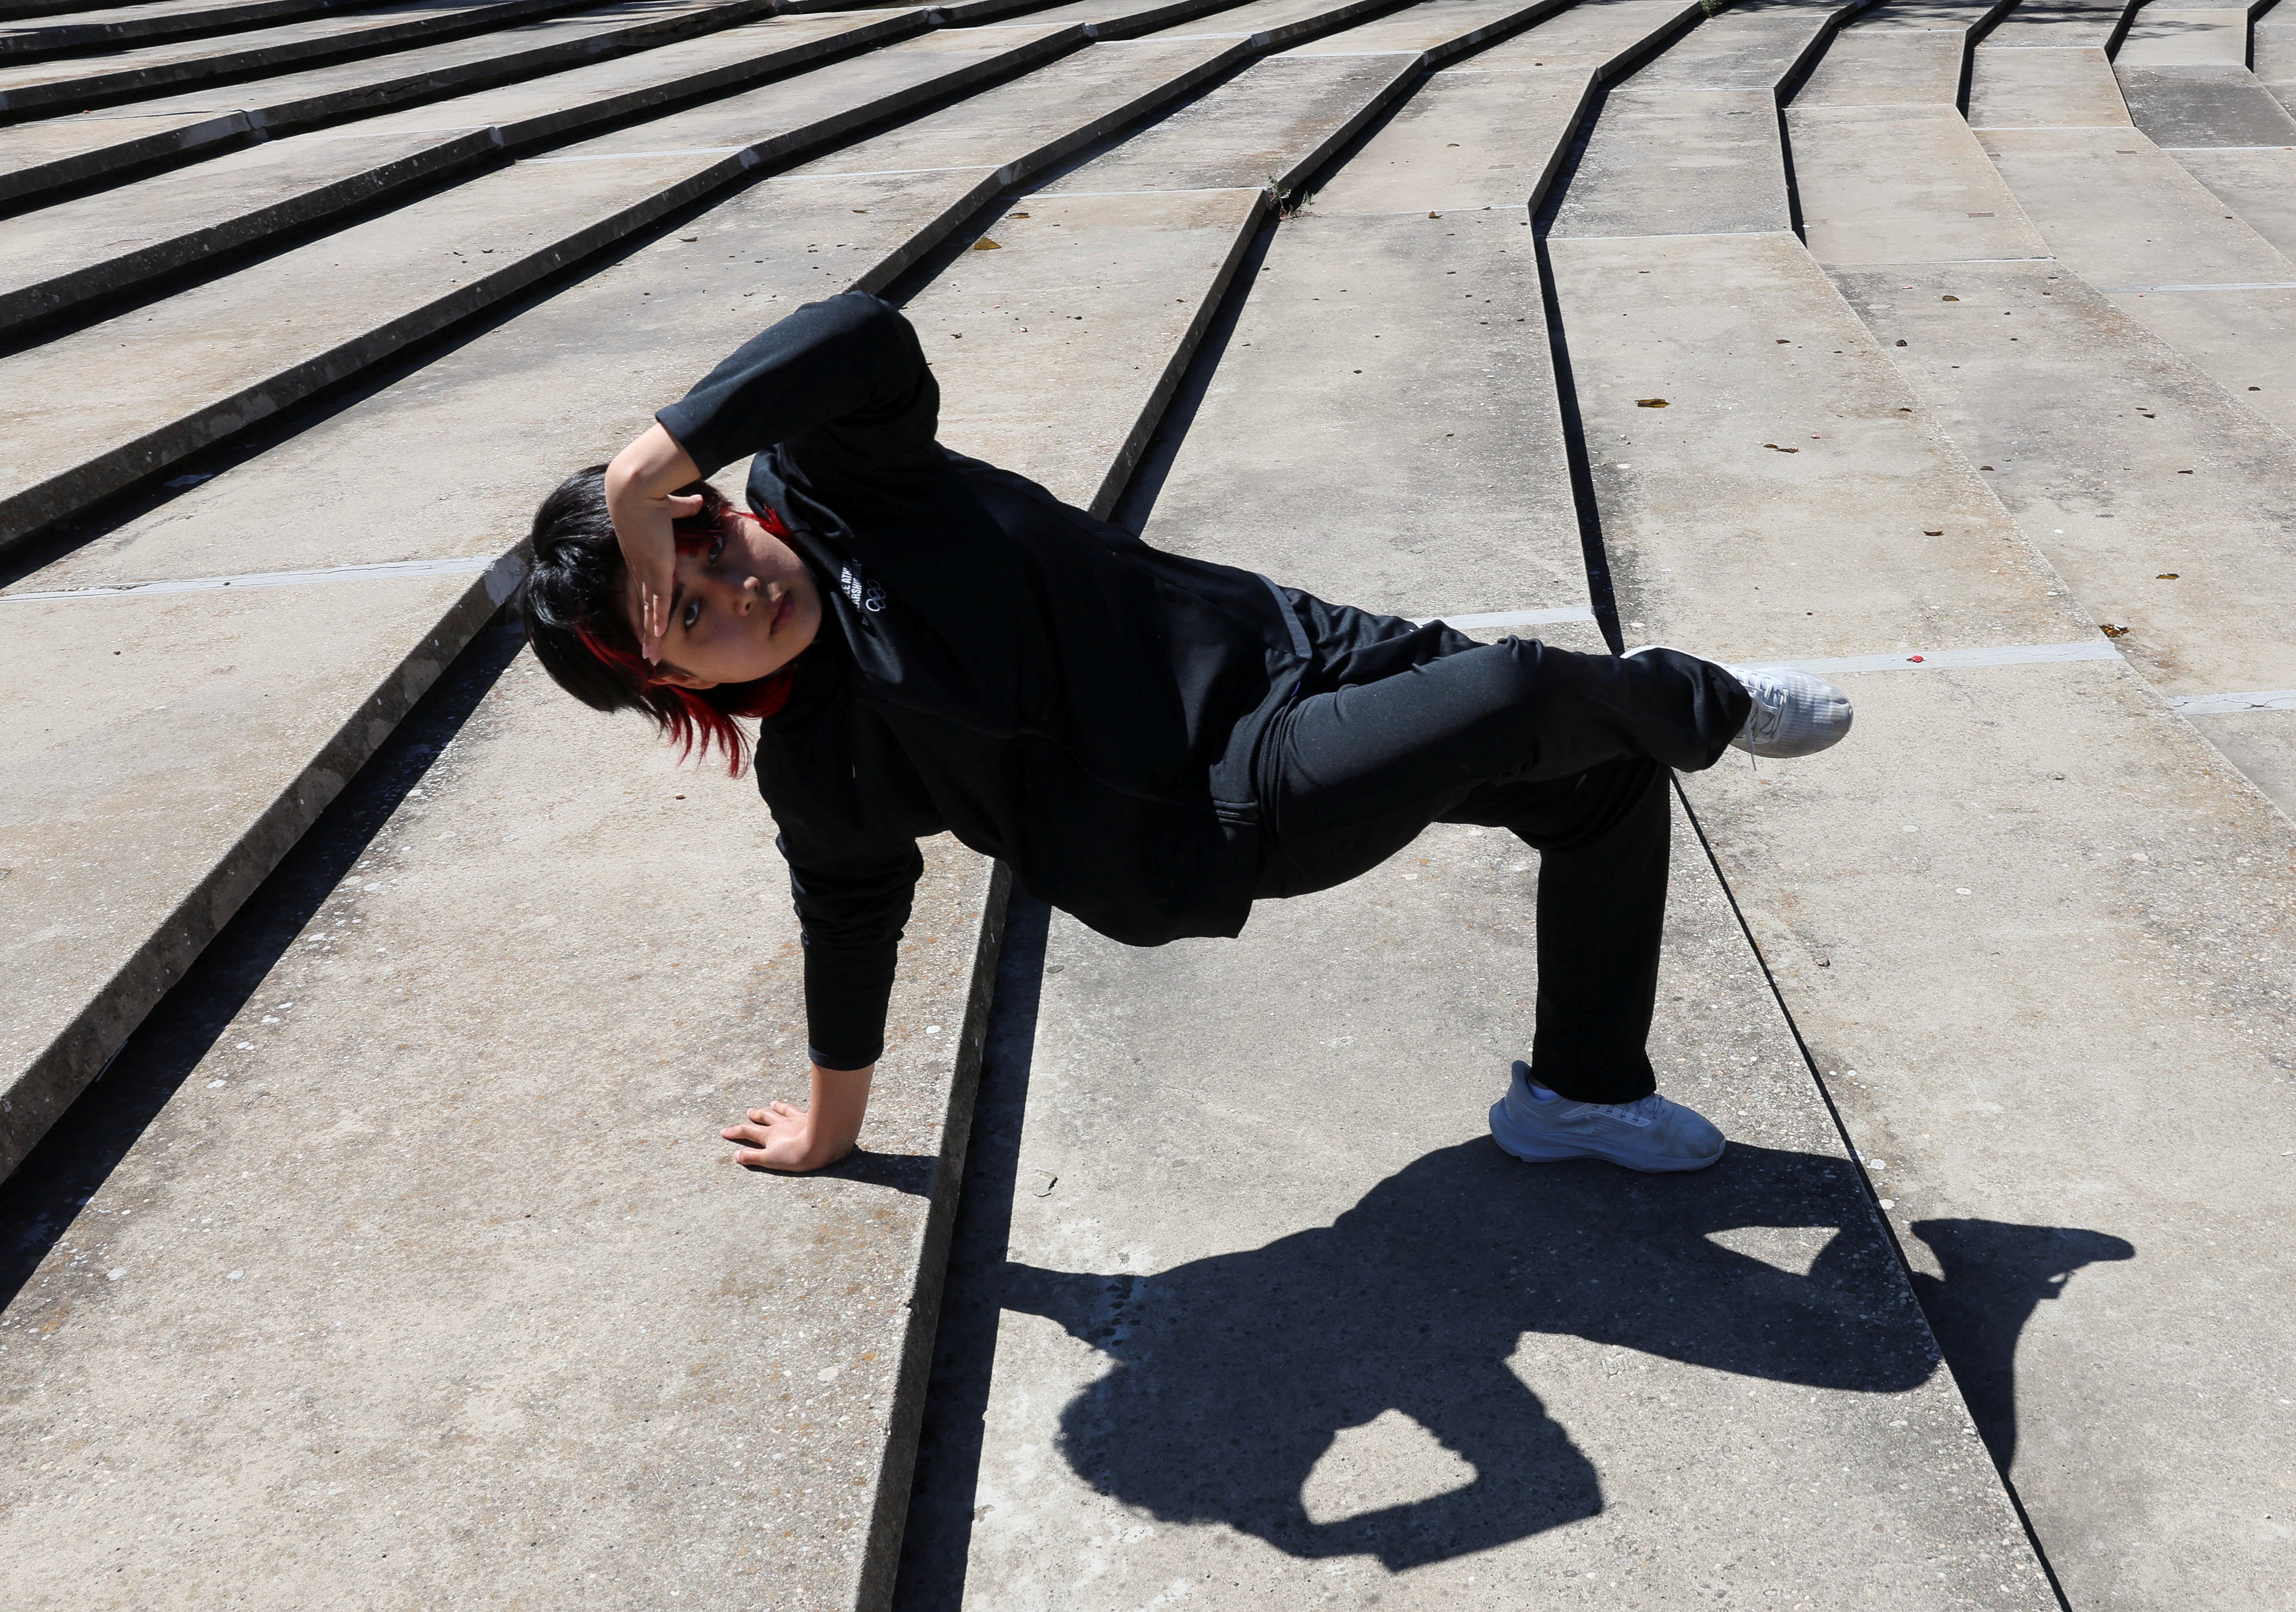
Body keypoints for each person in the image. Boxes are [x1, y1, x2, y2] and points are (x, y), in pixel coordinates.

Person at [520, 293, 1851, 1177]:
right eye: (692, 616)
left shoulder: (837, 487)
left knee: (1599, 780)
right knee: (1517, 692)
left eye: (711, 542)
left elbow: (867, 334)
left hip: (1281, 641)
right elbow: (849, 914)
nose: (741, 589)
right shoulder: (830, 762)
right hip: (1209, 809)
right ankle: (1710, 698)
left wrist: (645, 470)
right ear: (680, 684)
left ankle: (1579, 1092)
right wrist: (830, 1125)